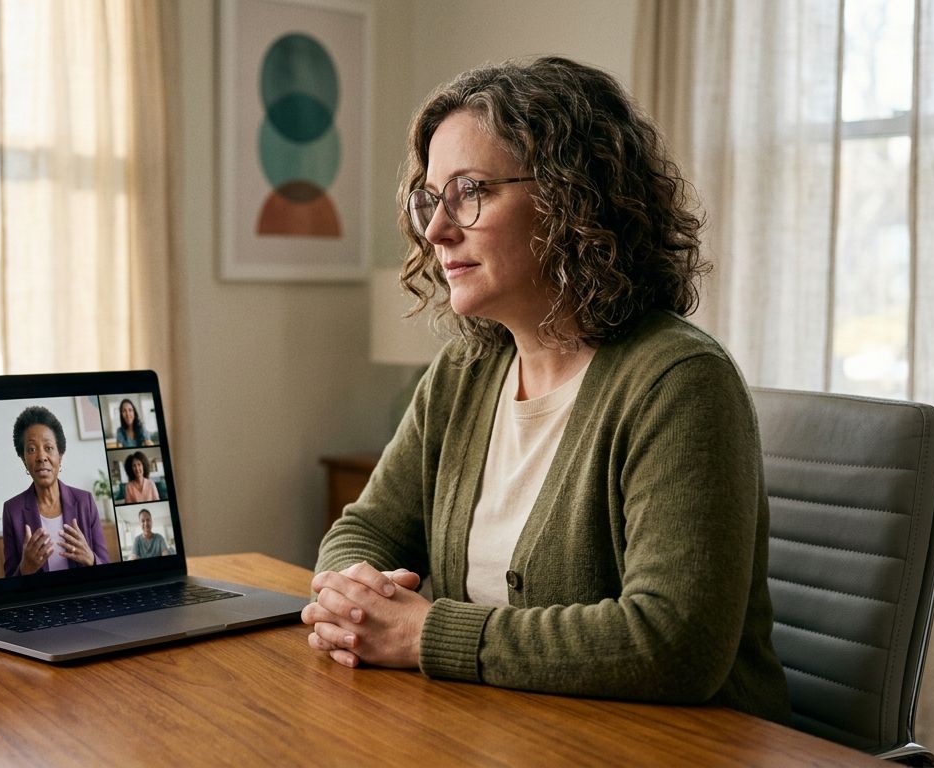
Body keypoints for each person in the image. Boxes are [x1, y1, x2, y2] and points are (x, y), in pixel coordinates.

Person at [302, 56, 790, 723]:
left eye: (469, 191)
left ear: (573, 199)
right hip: (502, 731)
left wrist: (422, 634)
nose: (438, 231)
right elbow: (367, 526)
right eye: (430, 199)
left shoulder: (679, 381)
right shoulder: (463, 372)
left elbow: (674, 643)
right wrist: (351, 591)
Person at [1, 405, 110, 576]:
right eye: (31, 449)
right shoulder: (12, 511)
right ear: (24, 460)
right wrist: (25, 569)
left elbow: (107, 570)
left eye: (49, 447)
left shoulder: (85, 502)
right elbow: (9, 583)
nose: (41, 457)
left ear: (60, 456)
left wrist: (91, 559)